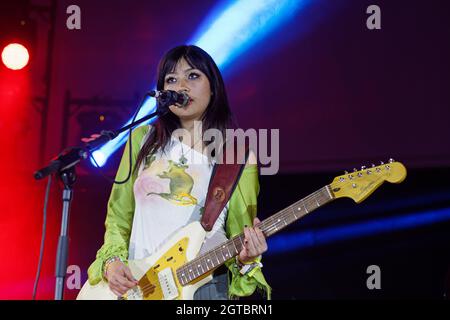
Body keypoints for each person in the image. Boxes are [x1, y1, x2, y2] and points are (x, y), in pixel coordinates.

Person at [85, 45, 271, 300]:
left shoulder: (238, 157)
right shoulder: (142, 139)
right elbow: (118, 216)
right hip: (137, 286)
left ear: (213, 86)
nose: (181, 86)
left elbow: (242, 233)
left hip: (202, 291)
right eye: (171, 80)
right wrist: (112, 262)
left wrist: (248, 256)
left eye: (193, 76)